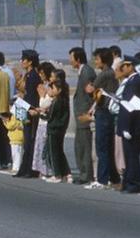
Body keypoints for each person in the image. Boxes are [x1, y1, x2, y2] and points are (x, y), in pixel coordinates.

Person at [85, 47, 120, 190]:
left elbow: (91, 90)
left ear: (104, 61)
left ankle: (102, 180)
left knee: (102, 148)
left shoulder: (104, 74)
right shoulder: (113, 73)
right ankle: (114, 179)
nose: (95, 61)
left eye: (97, 59)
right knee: (108, 146)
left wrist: (89, 89)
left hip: (103, 112)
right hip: (109, 112)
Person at [116, 56, 140, 193]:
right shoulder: (131, 81)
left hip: (133, 126)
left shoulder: (135, 81)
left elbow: (133, 106)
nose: (122, 68)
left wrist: (127, 127)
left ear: (131, 66)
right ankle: (129, 183)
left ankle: (134, 184)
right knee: (129, 156)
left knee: (132, 156)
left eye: (124, 66)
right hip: (129, 125)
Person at [69, 47, 96, 185]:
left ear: (78, 59)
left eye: (71, 58)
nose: (70, 61)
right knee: (79, 145)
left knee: (84, 146)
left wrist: (87, 113)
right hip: (81, 114)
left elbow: (90, 95)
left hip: (84, 115)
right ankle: (83, 173)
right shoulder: (83, 71)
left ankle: (86, 175)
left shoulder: (86, 72)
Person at [14, 49, 41, 177]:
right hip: (25, 107)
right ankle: (24, 168)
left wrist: (29, 110)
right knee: (26, 140)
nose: (22, 61)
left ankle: (29, 169)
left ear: (30, 62)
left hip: (30, 109)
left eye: (24, 59)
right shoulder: (28, 75)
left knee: (30, 140)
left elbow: (32, 96)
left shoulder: (34, 76)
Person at [44, 72, 72, 183]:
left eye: (53, 88)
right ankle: (66, 173)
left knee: (53, 152)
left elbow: (50, 117)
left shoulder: (56, 101)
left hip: (53, 129)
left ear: (59, 90)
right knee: (59, 151)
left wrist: (39, 113)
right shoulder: (64, 100)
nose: (51, 90)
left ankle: (57, 174)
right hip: (60, 129)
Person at [2, 110, 23, 174]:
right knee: (16, 153)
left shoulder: (15, 115)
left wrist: (5, 121)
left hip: (17, 137)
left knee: (17, 154)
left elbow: (11, 126)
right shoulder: (16, 115)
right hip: (15, 138)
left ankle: (17, 168)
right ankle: (16, 167)